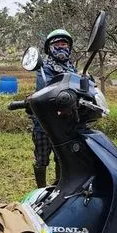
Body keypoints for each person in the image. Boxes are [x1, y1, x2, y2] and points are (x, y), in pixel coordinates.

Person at [30, 29, 77, 187]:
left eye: (64, 44)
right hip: (45, 121)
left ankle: (60, 186)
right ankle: (41, 189)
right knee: (42, 157)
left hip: (66, 121)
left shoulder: (73, 68)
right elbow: (46, 90)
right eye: (57, 44)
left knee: (62, 156)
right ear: (49, 47)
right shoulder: (44, 68)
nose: (61, 46)